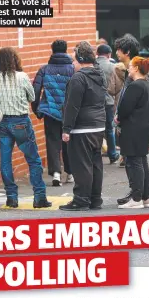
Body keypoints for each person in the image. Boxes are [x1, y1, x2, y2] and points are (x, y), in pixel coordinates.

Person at [0, 47, 50, 209]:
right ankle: (39, 196)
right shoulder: (22, 77)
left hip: (2, 121)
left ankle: (11, 197)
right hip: (21, 121)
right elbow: (32, 96)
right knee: (33, 159)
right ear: (15, 60)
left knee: (5, 161)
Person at [58, 41, 106, 211]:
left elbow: (72, 106)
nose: (73, 64)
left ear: (80, 59)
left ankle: (81, 200)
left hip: (82, 128)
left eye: (74, 60)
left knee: (81, 165)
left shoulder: (78, 78)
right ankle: (95, 199)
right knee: (95, 164)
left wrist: (66, 128)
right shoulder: (99, 76)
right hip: (98, 126)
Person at [115, 56, 149, 209]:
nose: (128, 68)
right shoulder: (146, 84)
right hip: (144, 127)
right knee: (142, 160)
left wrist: (118, 118)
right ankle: (145, 197)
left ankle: (136, 199)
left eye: (130, 66)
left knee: (134, 161)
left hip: (133, 128)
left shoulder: (135, 86)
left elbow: (124, 108)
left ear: (135, 68)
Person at [32, 40, 75, 186]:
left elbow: (35, 91)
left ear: (52, 50)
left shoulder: (44, 69)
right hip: (69, 112)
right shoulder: (73, 69)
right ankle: (70, 173)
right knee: (68, 141)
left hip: (50, 111)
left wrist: (36, 108)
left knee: (52, 142)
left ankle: (56, 173)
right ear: (66, 50)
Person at [114, 33, 141, 171]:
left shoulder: (138, 70)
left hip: (135, 121)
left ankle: (138, 191)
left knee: (136, 161)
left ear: (127, 51)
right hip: (129, 120)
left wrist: (121, 115)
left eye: (119, 49)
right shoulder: (126, 70)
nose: (116, 52)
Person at [95, 44, 121, 164]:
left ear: (97, 53)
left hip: (94, 102)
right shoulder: (112, 67)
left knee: (95, 129)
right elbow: (116, 86)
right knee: (109, 129)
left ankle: (95, 154)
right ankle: (112, 154)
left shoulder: (92, 65)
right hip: (109, 101)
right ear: (109, 54)